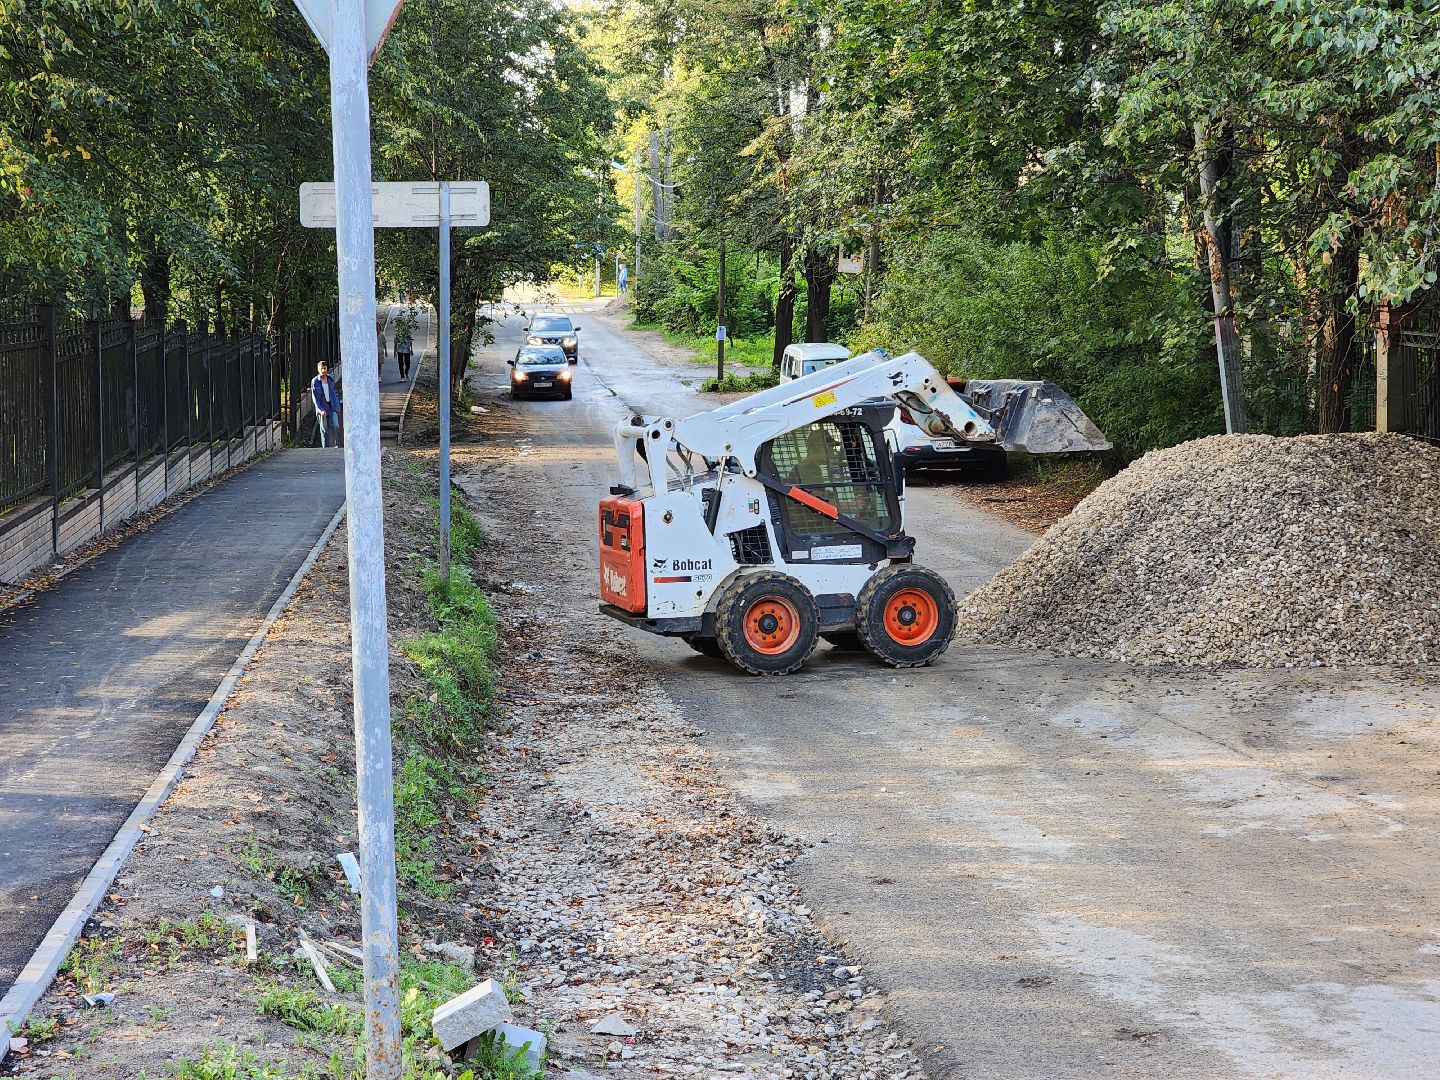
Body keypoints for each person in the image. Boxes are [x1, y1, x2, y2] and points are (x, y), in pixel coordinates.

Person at [311, 361, 342, 448]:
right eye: (322, 369)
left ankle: (335, 445)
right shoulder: (315, 381)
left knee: (336, 425)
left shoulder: (330, 379)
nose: (323, 370)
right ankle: (326, 448)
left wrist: (337, 405)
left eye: (325, 368)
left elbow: (333, 392)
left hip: (331, 406)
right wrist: (320, 410)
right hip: (322, 408)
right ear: (318, 369)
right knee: (324, 429)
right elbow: (315, 398)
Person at [395, 315, 414, 380]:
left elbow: (410, 342)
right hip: (400, 350)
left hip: (407, 350)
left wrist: (411, 350)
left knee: (408, 363)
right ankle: (402, 376)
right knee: (401, 364)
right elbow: (395, 343)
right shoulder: (398, 334)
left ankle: (406, 372)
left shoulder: (408, 333)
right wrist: (395, 352)